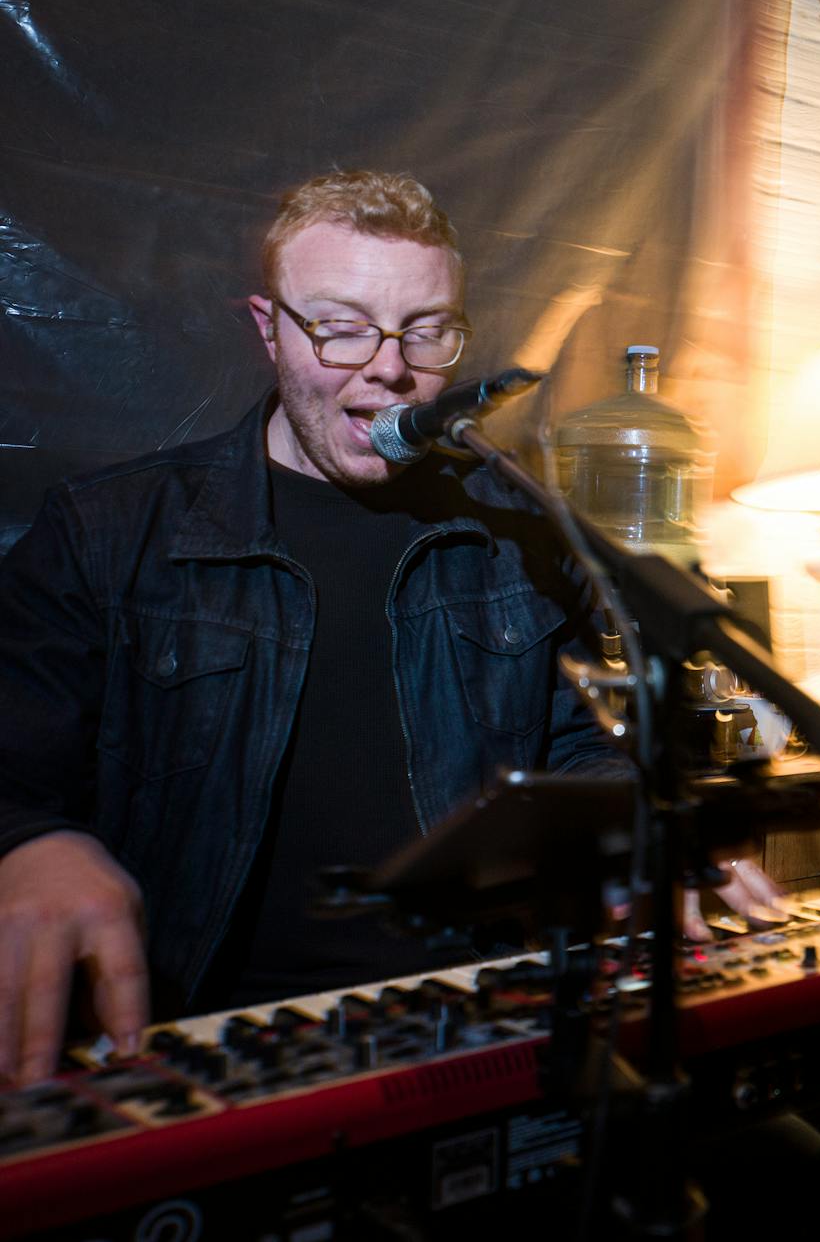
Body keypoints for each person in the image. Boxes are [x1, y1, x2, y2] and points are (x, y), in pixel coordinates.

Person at [0, 169, 630, 1085]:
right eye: (339, 326)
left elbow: (580, 745)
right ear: (268, 328)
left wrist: (632, 823)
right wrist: (30, 844)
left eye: (426, 330)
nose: (388, 366)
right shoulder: (107, 533)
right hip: (201, 1042)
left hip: (473, 1020)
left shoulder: (517, 534)